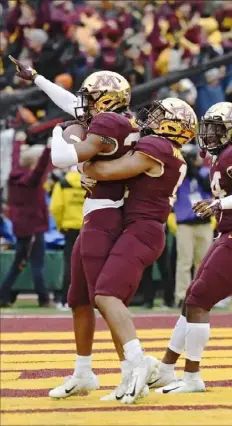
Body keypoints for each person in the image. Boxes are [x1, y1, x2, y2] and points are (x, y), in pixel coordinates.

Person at [82, 98, 197, 403]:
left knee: (106, 295)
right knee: (108, 297)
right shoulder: (167, 151)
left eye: (161, 115)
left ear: (175, 125)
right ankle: (131, 373)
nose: (153, 117)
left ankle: (139, 364)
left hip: (143, 229)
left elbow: (109, 172)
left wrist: (85, 162)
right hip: (141, 229)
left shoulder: (158, 148)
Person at [148, 101, 232, 394]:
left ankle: (193, 377)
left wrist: (218, 203)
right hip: (225, 234)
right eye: (208, 128)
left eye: (217, 128)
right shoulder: (219, 156)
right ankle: (167, 368)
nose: (209, 134)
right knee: (191, 299)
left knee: (198, 301)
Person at [0, 138, 51, 307]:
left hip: (21, 226)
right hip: (34, 228)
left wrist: (17, 143)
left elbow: (15, 159)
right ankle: (43, 299)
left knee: (18, 263)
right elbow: (41, 168)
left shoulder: (14, 174)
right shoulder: (31, 180)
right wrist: (48, 149)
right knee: (37, 264)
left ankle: (3, 296)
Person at [174, 143, 213, 307]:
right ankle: (182, 296)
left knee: (203, 262)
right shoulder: (181, 174)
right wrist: (185, 161)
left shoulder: (205, 173)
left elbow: (206, 186)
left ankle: (202, 295)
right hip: (185, 222)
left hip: (204, 222)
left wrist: (190, 162)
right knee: (184, 261)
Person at [49, 166, 85, 310]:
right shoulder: (91, 181)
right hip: (90, 227)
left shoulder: (63, 184)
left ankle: (65, 300)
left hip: (70, 228)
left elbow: (55, 208)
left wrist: (60, 225)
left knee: (70, 265)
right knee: (91, 265)